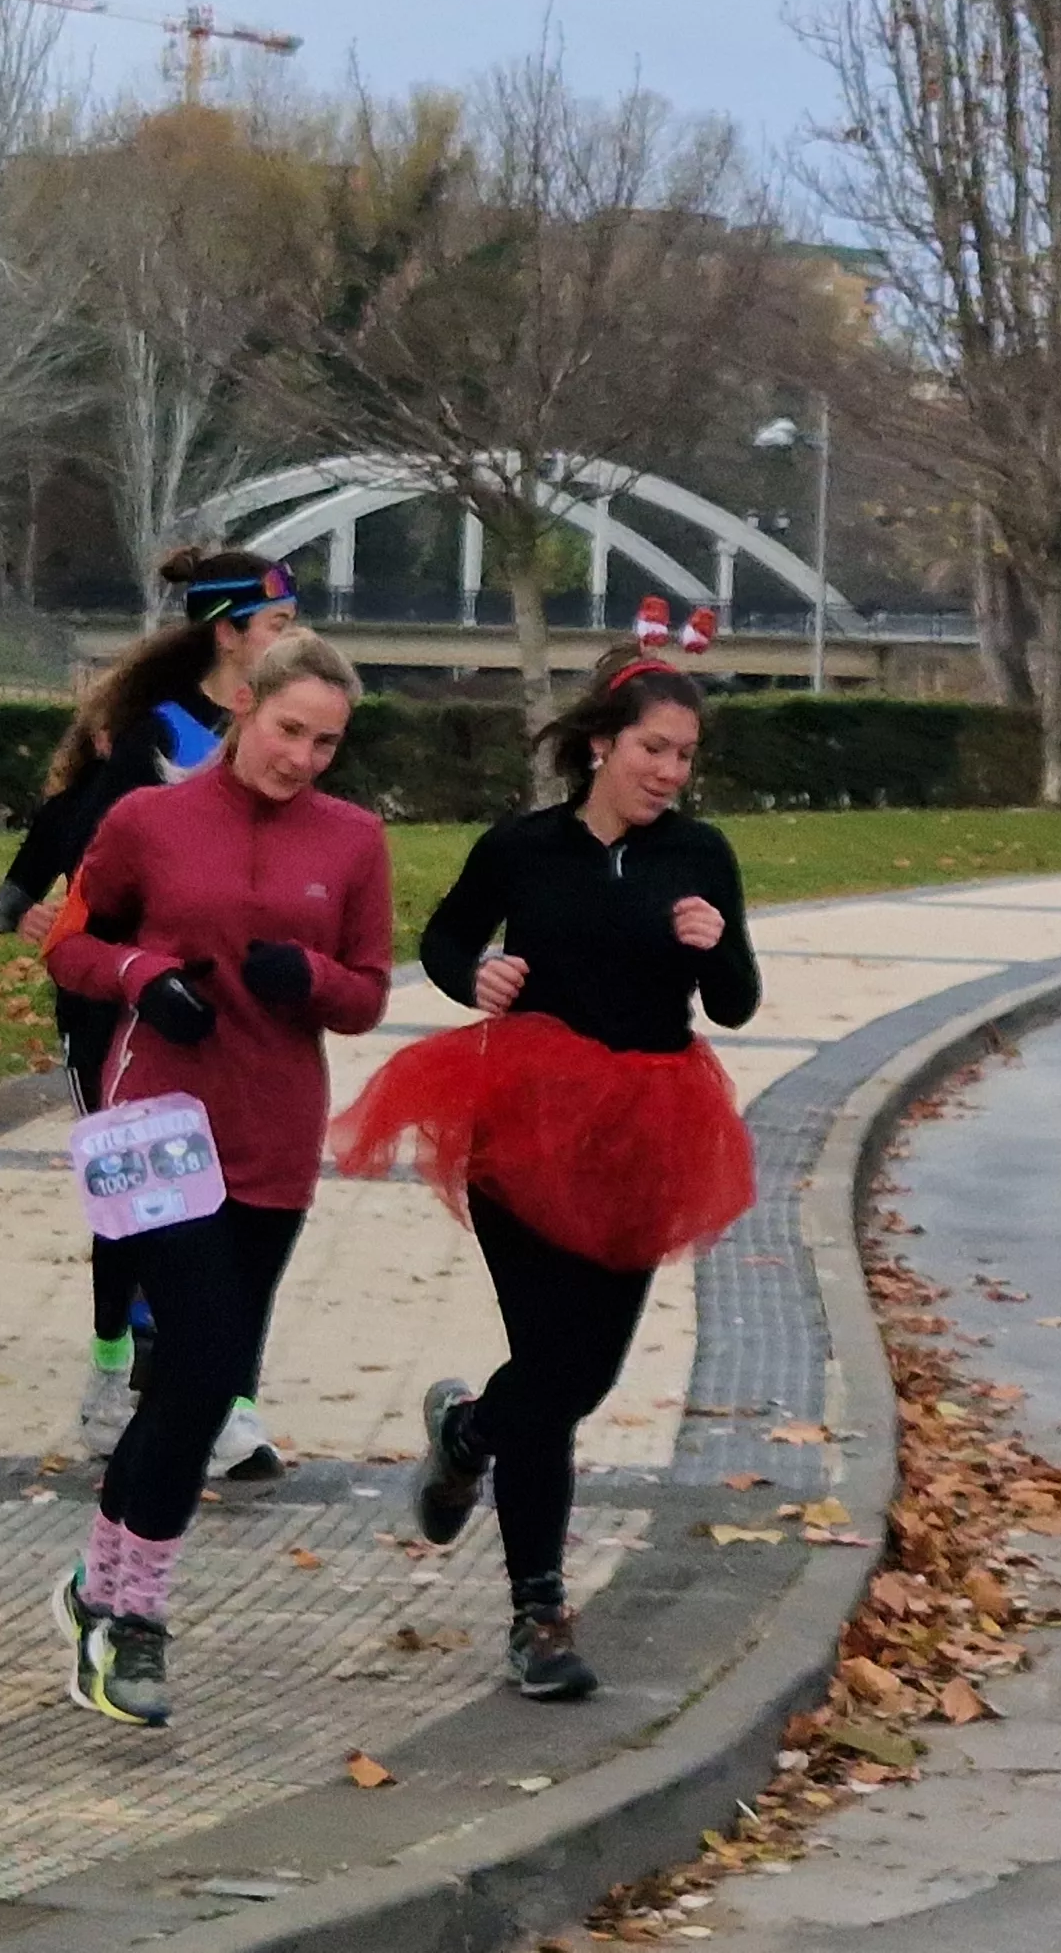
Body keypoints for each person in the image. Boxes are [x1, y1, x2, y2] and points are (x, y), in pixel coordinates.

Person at [336, 644, 760, 1701]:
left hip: (647, 1133)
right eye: (654, 749)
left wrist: (713, 946)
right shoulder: (522, 847)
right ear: (602, 745)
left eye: (685, 755)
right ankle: (539, 1615)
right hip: (523, 1127)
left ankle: (470, 1430)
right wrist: (474, 974)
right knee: (551, 1366)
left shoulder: (700, 854)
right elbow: (444, 940)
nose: (670, 771)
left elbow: (737, 1002)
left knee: (582, 1377)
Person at [41, 628, 391, 1727]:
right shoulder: (148, 821)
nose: (302, 758)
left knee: (205, 1381)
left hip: (273, 1132)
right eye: (289, 731)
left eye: (325, 744)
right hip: (157, 1123)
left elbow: (369, 992)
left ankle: (98, 1585)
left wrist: (313, 977)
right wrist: (142, 975)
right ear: (244, 706)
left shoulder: (354, 839)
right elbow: (69, 945)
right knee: (197, 1373)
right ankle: (132, 1623)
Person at [0, 547, 302, 1466]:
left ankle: (227, 1398)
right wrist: (32, 905)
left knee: (242, 1205)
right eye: (280, 627)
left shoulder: (285, 734)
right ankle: (113, 1372)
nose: (295, 640)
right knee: (141, 1194)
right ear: (229, 633)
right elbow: (78, 835)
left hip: (233, 1008)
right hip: (122, 1005)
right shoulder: (153, 736)